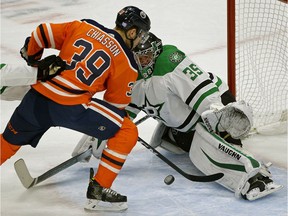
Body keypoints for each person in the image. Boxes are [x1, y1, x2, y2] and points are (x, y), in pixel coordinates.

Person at [73, 32, 282, 201]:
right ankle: (190, 137)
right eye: (137, 58)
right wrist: (102, 131)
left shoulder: (169, 61)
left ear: (155, 54)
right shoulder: (132, 74)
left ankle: (255, 177)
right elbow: (126, 111)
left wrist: (217, 119)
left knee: (204, 151)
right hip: (183, 123)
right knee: (180, 143)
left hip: (218, 109)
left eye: (145, 57)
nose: (141, 62)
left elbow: (205, 93)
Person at [0, 6, 151, 212]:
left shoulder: (84, 25)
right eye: (140, 34)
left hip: (36, 98)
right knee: (126, 130)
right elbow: (115, 106)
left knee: (7, 143)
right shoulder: (126, 61)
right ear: (132, 31)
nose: (141, 40)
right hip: (71, 108)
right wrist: (101, 135)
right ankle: (99, 191)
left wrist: (34, 60)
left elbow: (41, 32)